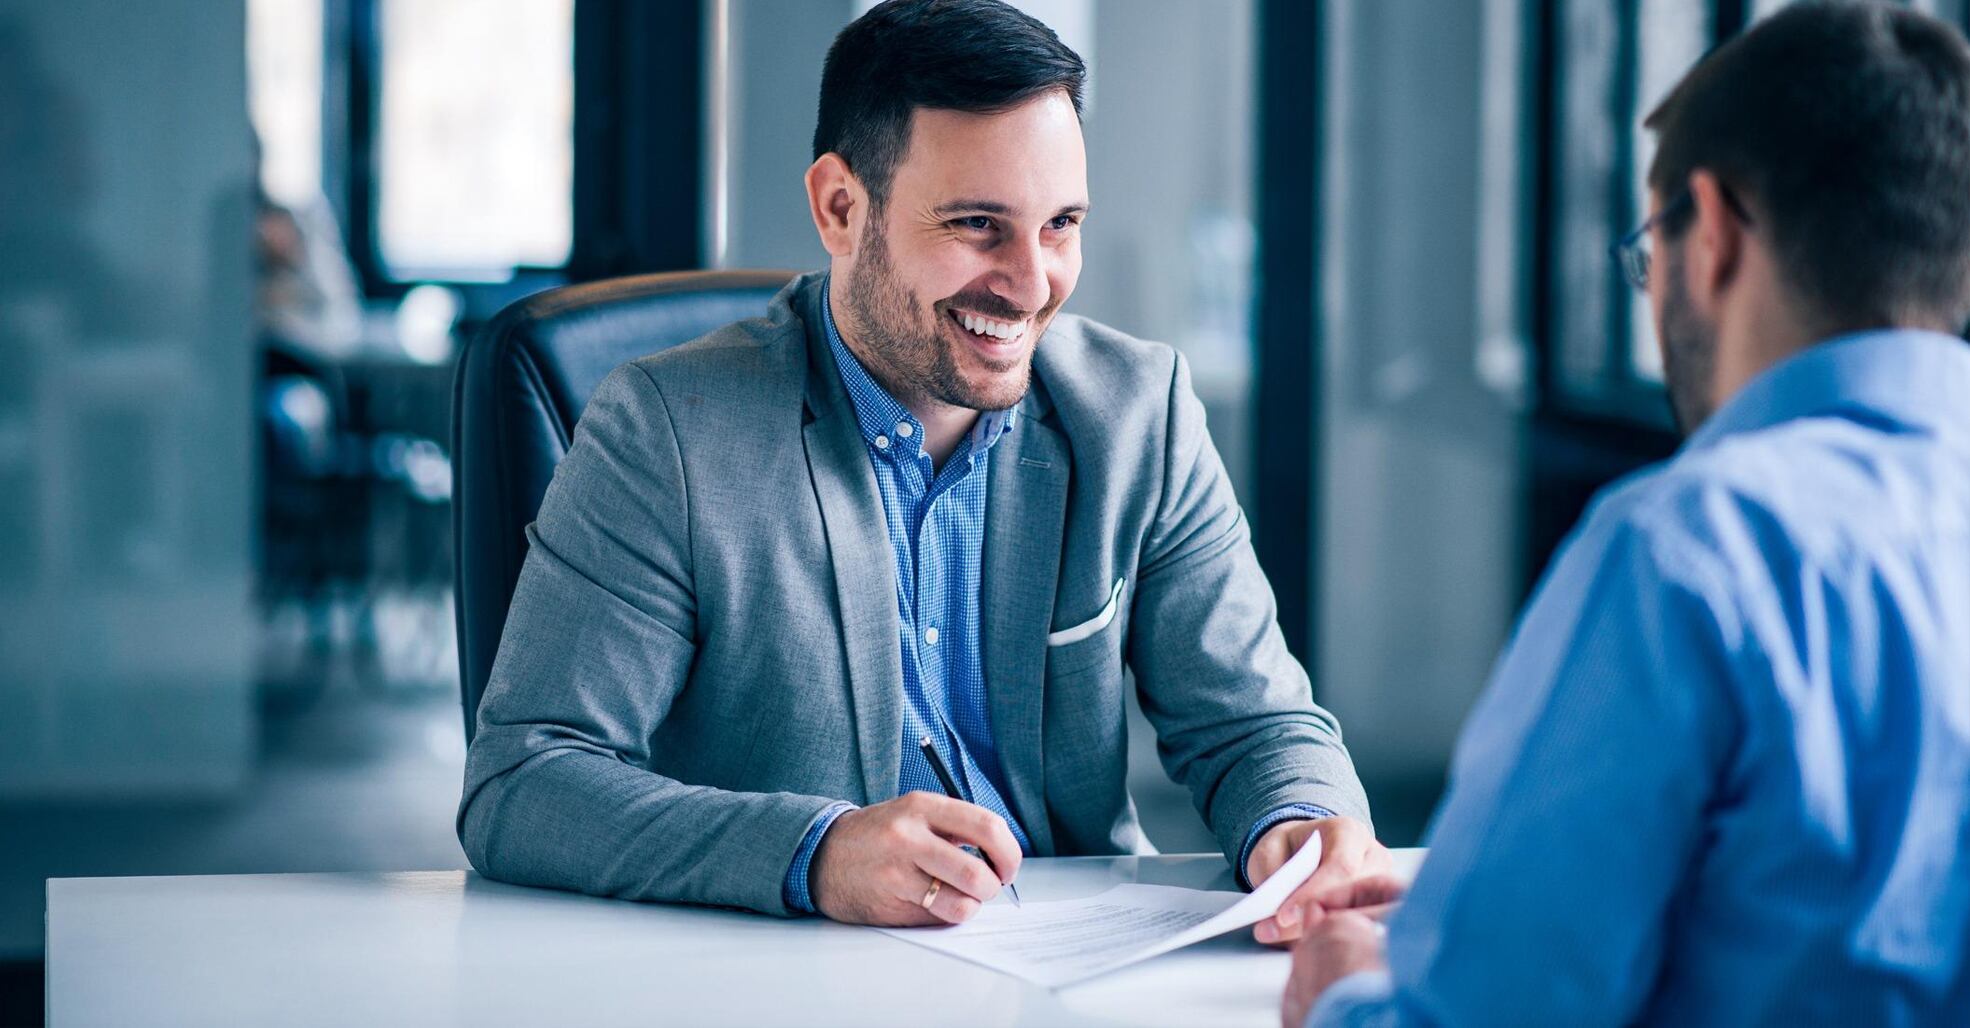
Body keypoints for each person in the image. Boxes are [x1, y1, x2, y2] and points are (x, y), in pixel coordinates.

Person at [459, 0, 1384, 933]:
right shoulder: (667, 432)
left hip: (1068, 970)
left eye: (1060, 224)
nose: (1031, 284)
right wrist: (814, 854)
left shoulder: (1139, 412)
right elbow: (524, 782)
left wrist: (1305, 822)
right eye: (979, 225)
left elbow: (1257, 724)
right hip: (791, 976)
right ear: (841, 208)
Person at [1282, 3, 1970, 1024]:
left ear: (1715, 231)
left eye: (1648, 251)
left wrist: (1341, 993)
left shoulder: (1691, 549)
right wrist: (1476, 897)